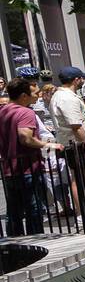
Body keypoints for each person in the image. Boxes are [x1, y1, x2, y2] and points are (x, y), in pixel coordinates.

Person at [0, 78, 62, 235]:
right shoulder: (25, 112)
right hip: (27, 169)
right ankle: (36, 243)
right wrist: (48, 145)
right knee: (33, 209)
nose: (39, 95)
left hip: (9, 168)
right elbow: (25, 137)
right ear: (23, 96)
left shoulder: (3, 111)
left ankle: (14, 245)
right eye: (35, 93)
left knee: (13, 211)